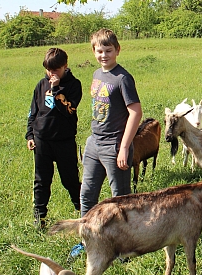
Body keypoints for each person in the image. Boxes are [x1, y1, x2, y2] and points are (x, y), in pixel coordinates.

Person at [70, 28, 143, 258]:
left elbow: (136, 113)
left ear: (117, 50)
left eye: (108, 50)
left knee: (120, 199)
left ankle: (124, 247)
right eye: (99, 51)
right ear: (93, 51)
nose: (104, 55)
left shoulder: (123, 78)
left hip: (114, 145)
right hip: (94, 143)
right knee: (87, 195)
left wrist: (123, 147)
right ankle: (87, 240)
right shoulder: (96, 75)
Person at [26, 48, 83, 229]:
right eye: (48, 70)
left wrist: (57, 89)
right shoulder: (40, 85)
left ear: (65, 66)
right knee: (42, 180)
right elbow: (33, 111)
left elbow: (68, 111)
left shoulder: (74, 85)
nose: (51, 74)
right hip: (42, 140)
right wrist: (30, 134)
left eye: (55, 70)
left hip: (64, 141)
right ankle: (40, 218)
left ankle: (83, 212)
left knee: (70, 180)